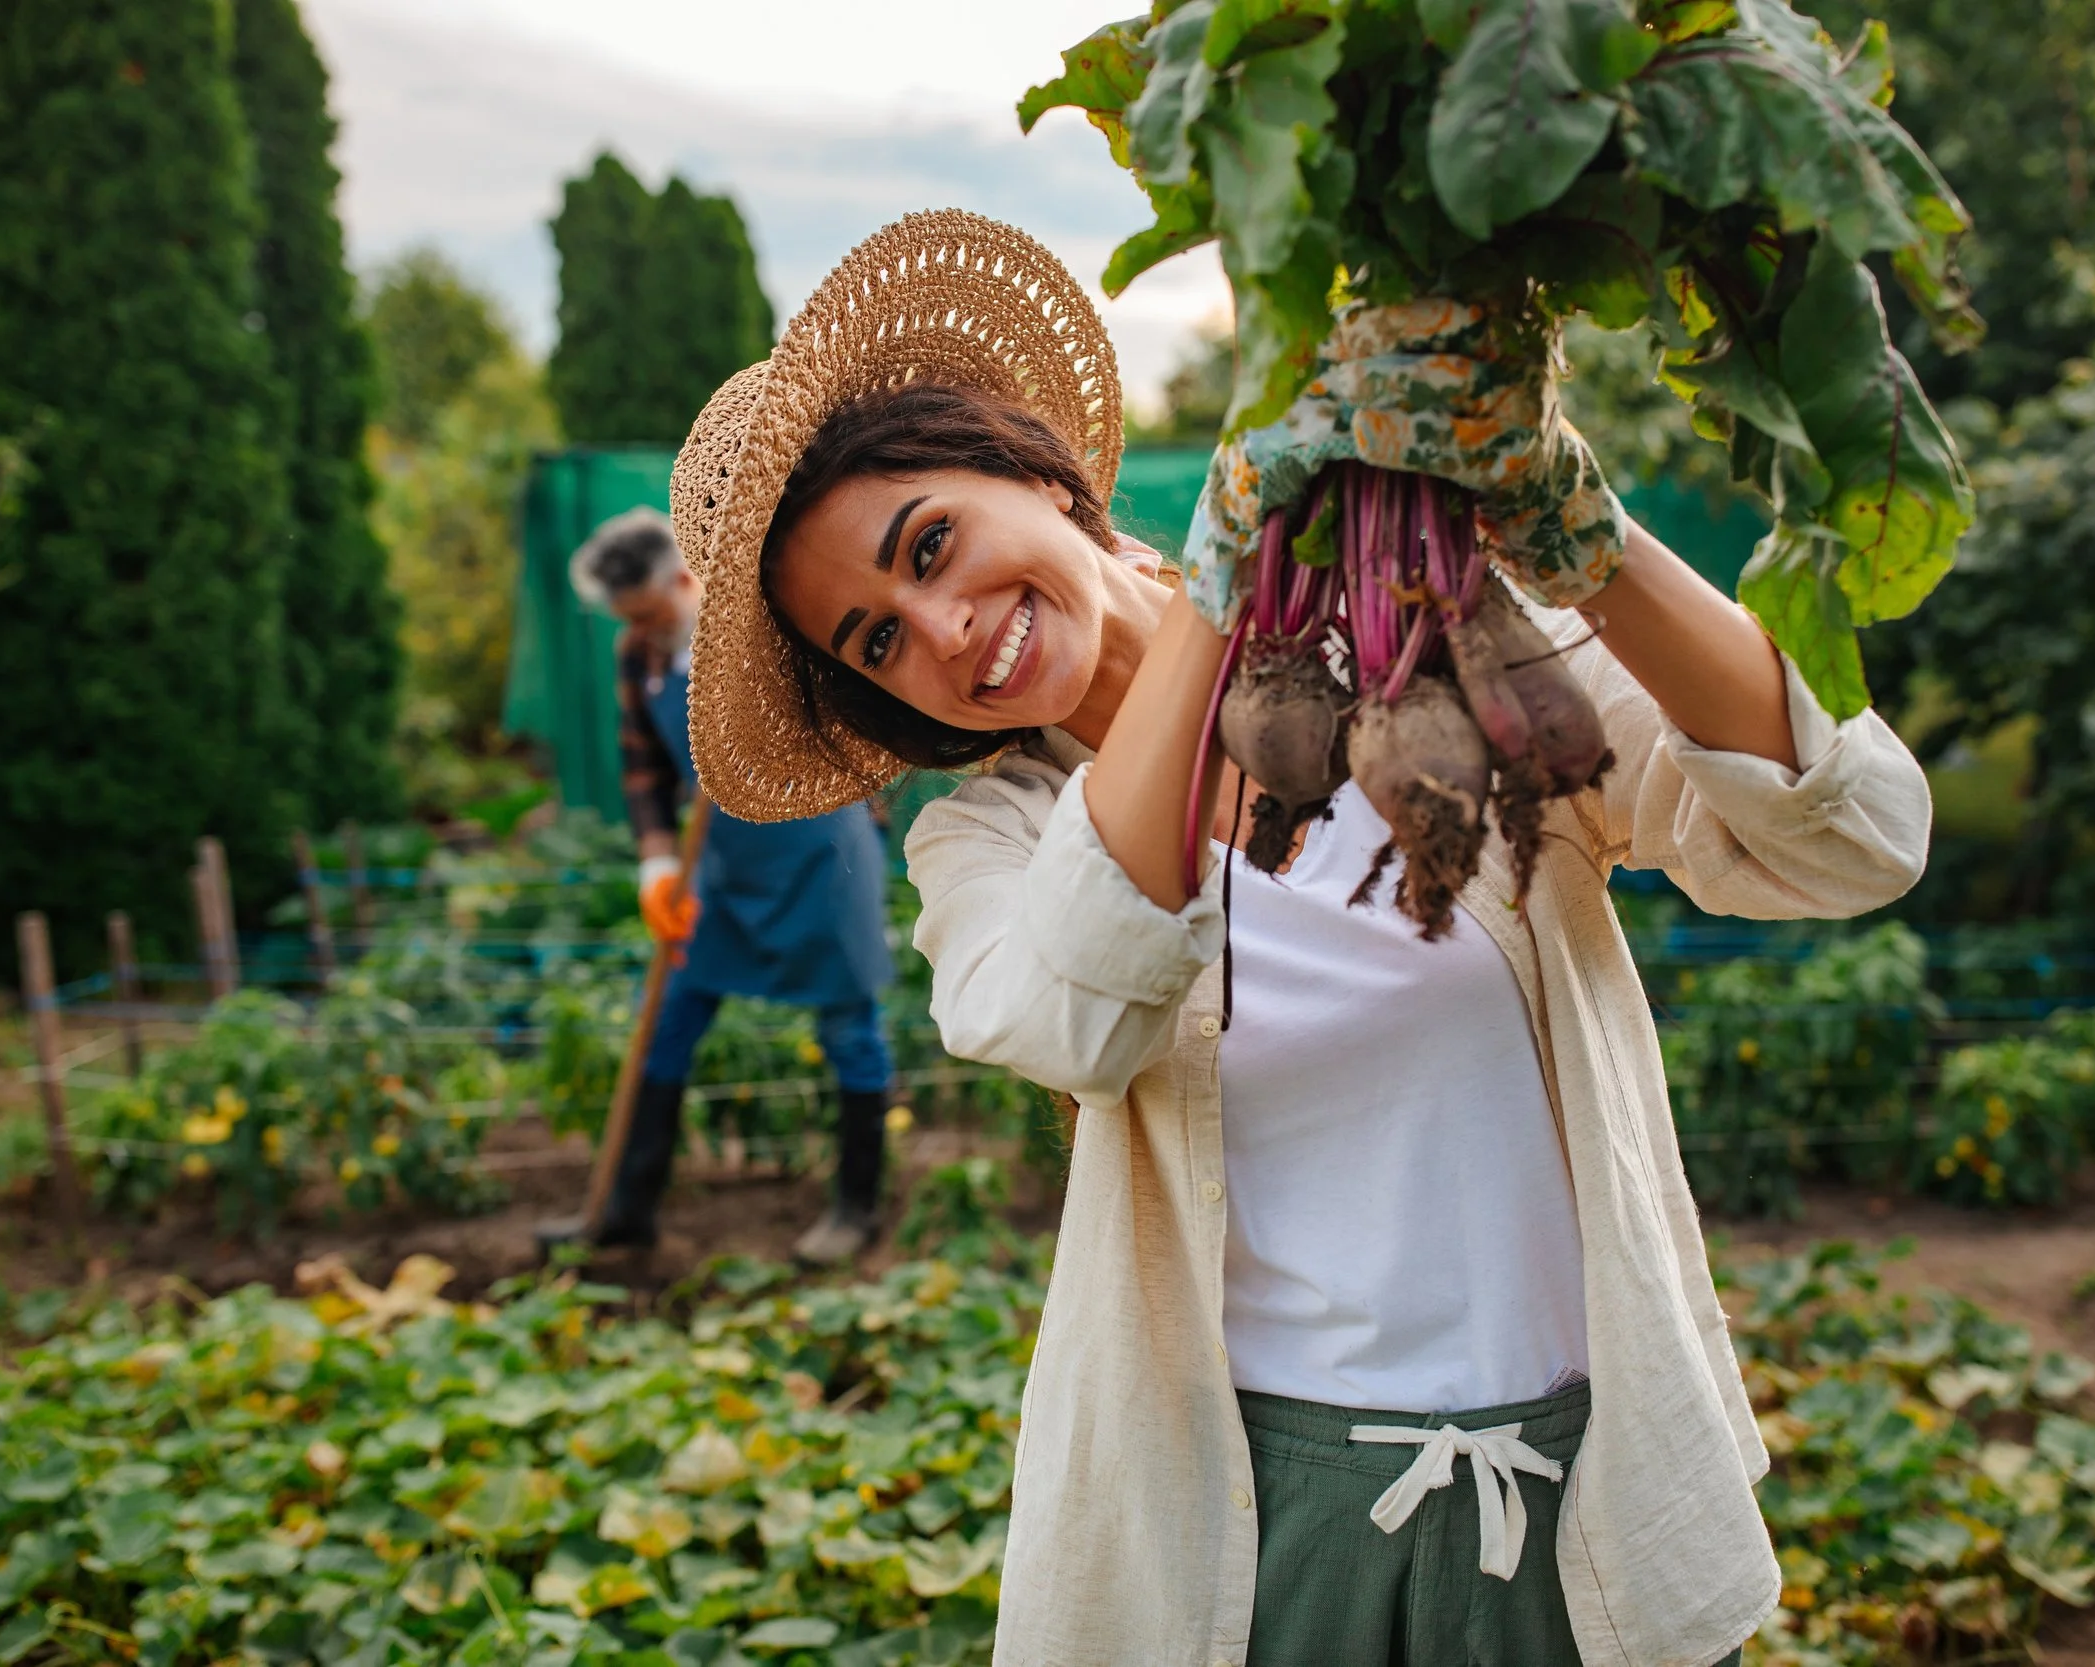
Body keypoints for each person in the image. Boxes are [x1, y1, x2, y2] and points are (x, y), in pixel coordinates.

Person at [667, 211, 1931, 1666]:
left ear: (1032, 467)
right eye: (877, 638)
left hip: (1586, 1480)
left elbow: (1855, 837)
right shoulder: (994, 836)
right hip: (1271, 1520)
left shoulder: (1425, 644)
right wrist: (1216, 590)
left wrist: (1585, 541)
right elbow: (1071, 1016)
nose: (941, 627)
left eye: (930, 544)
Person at [546, 507, 897, 1265]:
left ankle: (856, 1212)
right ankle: (625, 1209)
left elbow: (857, 716)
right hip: (723, 864)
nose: (642, 626)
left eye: (650, 609)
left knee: (848, 1029)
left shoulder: (761, 628)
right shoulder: (637, 653)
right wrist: (658, 865)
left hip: (819, 850)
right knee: (668, 1019)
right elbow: (643, 770)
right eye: (628, 617)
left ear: (681, 577)